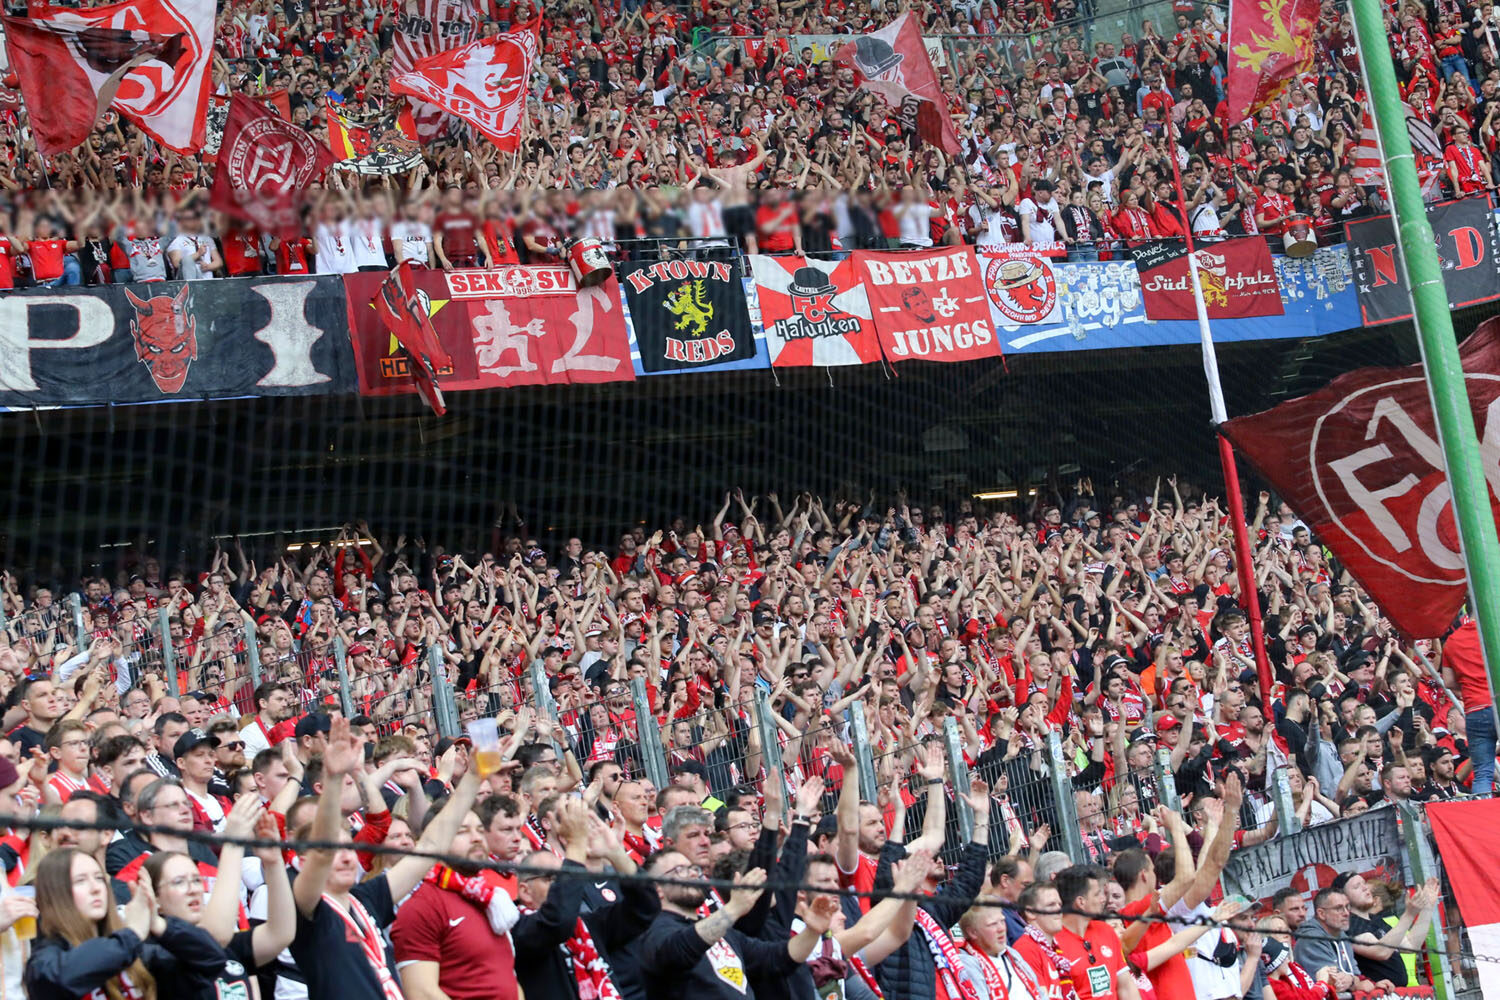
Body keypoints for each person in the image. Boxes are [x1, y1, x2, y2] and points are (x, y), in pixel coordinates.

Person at [289, 716, 481, 1000]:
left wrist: (473, 779)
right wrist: (333, 781)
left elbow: (431, 843)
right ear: (305, 863)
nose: (344, 858)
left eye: (348, 849)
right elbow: (322, 847)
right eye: (333, 852)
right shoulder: (307, 908)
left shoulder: (366, 899)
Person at [144, 793, 296, 1000]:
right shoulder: (156, 953)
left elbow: (281, 933)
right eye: (179, 882)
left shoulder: (229, 946)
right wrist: (233, 842)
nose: (193, 889)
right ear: (156, 900)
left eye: (197, 880)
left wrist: (273, 863)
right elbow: (212, 940)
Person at [25, 847, 228, 1000]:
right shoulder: (46, 958)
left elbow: (212, 960)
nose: (96, 888)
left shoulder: (135, 952)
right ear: (56, 893)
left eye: (98, 878)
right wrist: (130, 934)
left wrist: (158, 924)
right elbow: (58, 980)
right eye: (80, 881)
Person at [637, 858, 836, 1000]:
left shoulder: (722, 932)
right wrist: (733, 908)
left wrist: (812, 932)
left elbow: (776, 958)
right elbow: (679, 949)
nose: (691, 873)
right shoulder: (654, 933)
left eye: (693, 869)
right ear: (657, 889)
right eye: (679, 870)